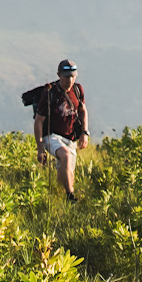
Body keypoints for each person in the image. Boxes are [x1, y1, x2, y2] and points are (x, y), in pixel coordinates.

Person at [31, 59, 90, 200]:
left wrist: (84, 132)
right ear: (59, 75)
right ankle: (71, 196)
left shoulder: (77, 89)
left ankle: (58, 196)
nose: (70, 80)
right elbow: (38, 121)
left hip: (70, 137)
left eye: (72, 76)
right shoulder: (50, 93)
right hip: (51, 136)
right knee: (66, 156)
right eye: (66, 76)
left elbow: (83, 111)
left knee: (67, 170)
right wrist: (40, 148)